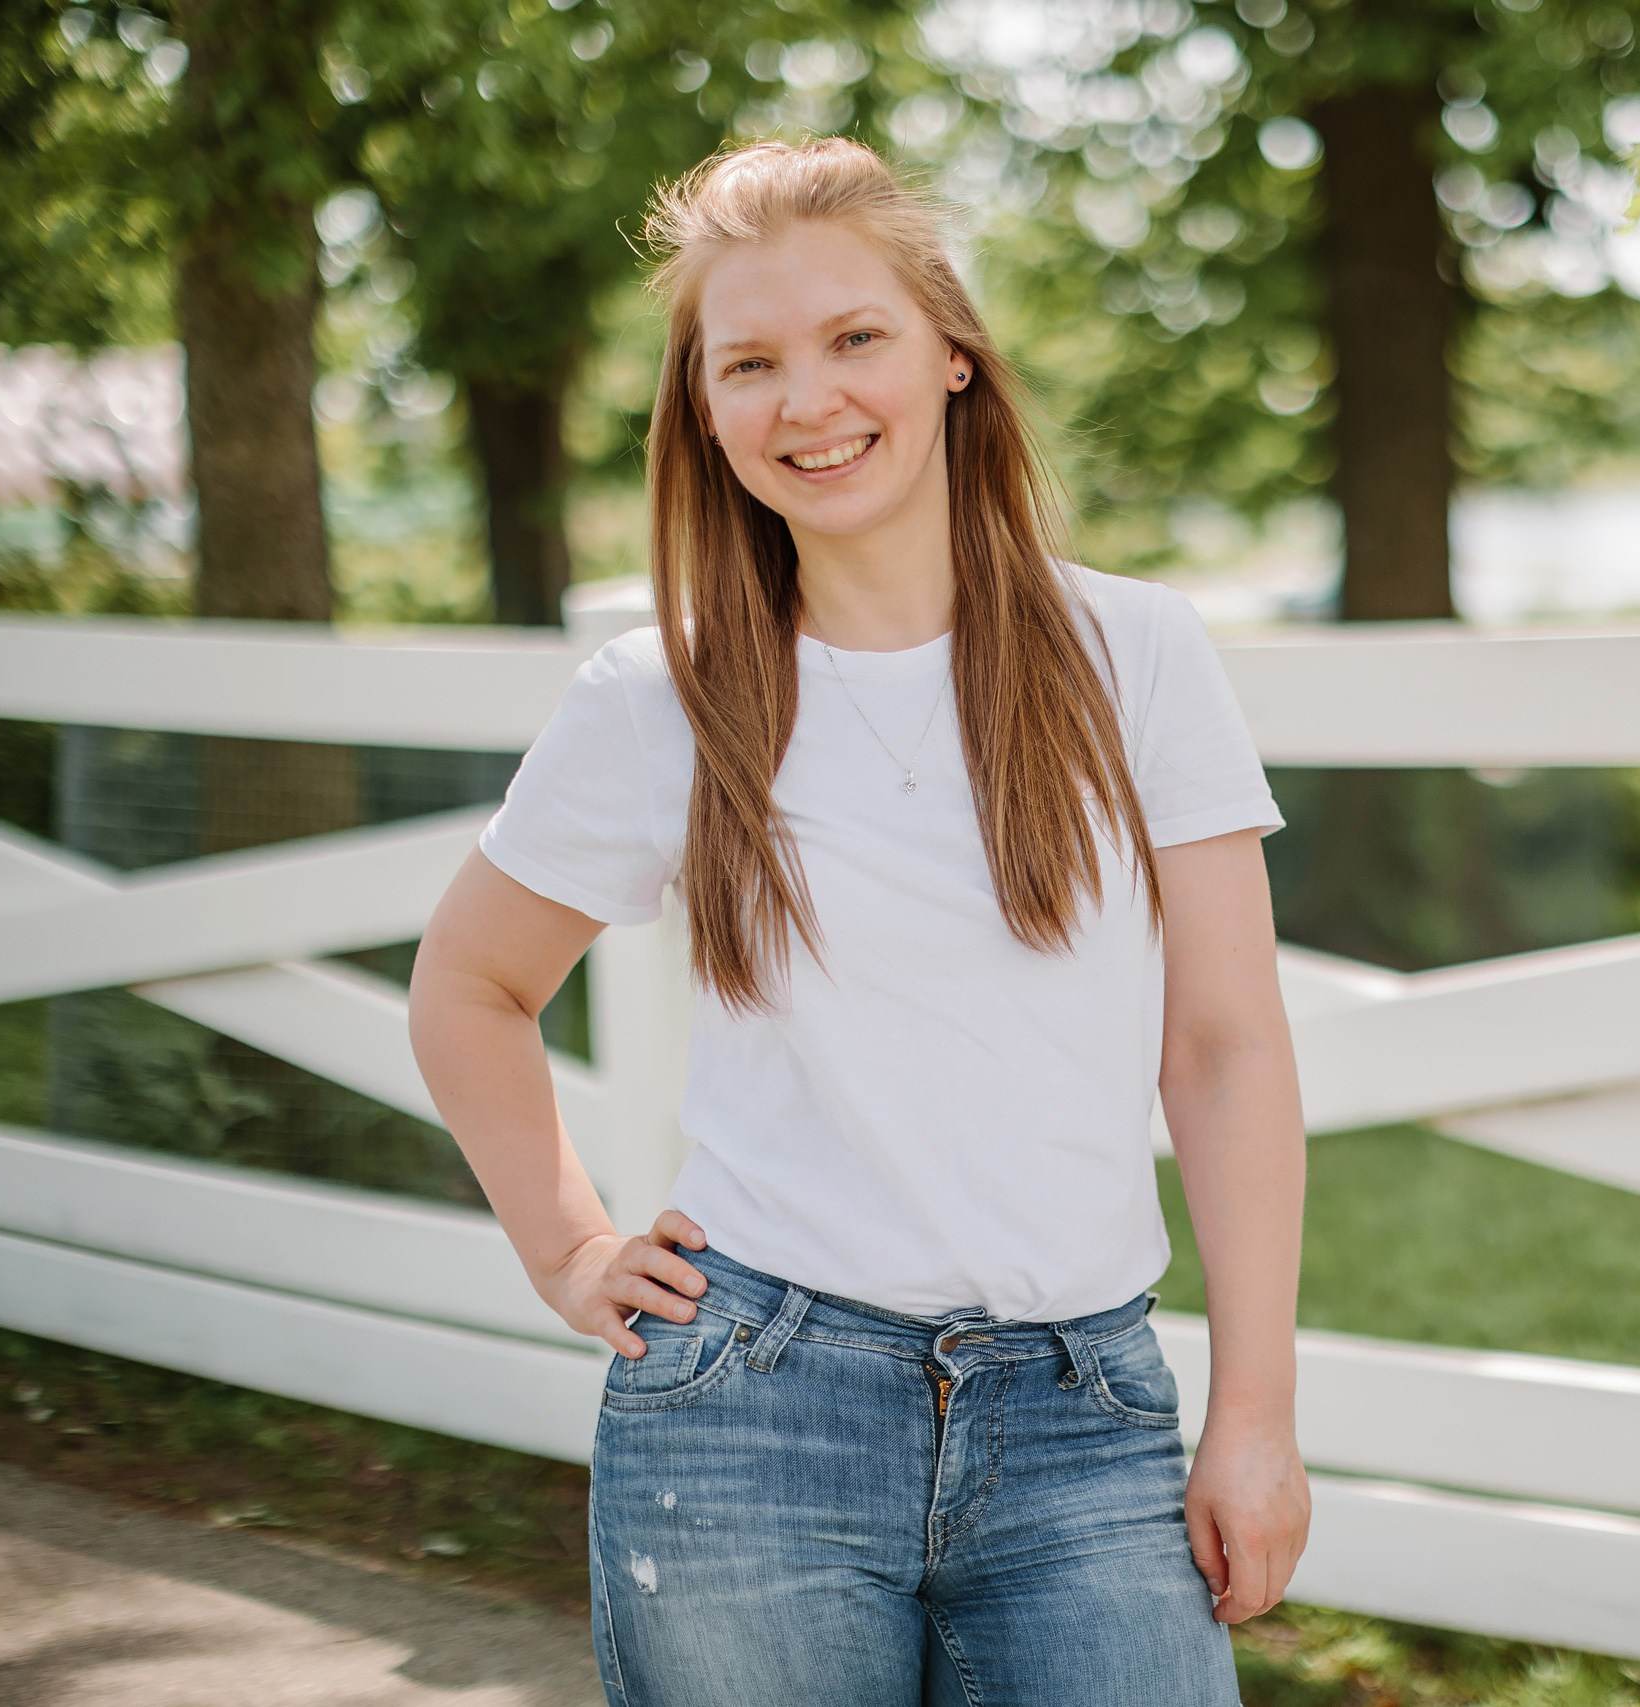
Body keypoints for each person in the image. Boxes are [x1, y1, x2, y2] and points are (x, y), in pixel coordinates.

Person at [406, 136, 1309, 1707]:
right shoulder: (661, 695)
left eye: (854, 338)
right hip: (756, 1411)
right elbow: (470, 984)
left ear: (953, 353)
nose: (807, 400)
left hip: (1083, 1416)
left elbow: (1226, 1049)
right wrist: (570, 1248)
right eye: (749, 362)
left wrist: (1257, 1416)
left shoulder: (1138, 653)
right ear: (703, 408)